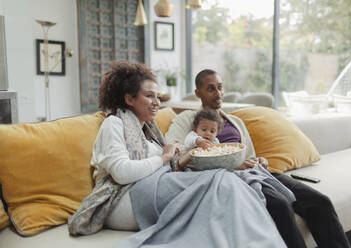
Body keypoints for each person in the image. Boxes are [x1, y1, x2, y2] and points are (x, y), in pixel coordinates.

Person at [67, 61, 287, 248]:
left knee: (228, 180)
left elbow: (171, 167)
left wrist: (188, 158)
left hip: (153, 185)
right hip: (122, 199)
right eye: (148, 96)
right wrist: (163, 157)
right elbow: (122, 173)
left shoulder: (149, 131)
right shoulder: (113, 124)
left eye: (157, 96)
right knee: (223, 183)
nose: (157, 103)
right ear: (129, 99)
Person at [165, 69, 351, 248]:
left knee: (320, 202)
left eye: (220, 87)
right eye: (211, 88)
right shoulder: (188, 119)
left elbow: (250, 156)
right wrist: (231, 164)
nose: (218, 93)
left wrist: (259, 161)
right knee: (280, 204)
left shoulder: (235, 122)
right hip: (231, 179)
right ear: (198, 93)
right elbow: (174, 153)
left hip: (257, 172)